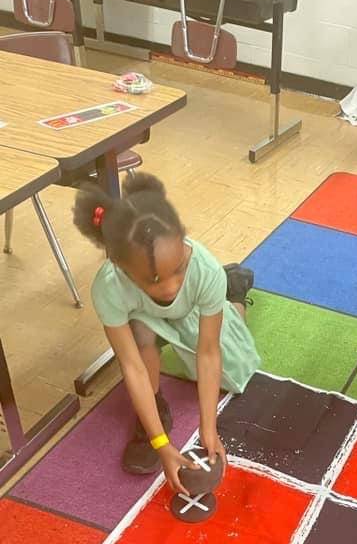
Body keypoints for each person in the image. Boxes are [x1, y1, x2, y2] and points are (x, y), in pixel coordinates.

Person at [73, 173, 259, 493]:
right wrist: (161, 442)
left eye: (177, 271)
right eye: (154, 279)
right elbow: (130, 366)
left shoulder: (202, 269)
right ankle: (154, 414)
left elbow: (208, 351)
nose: (170, 286)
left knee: (235, 374)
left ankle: (235, 291)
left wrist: (208, 428)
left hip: (195, 307)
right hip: (145, 316)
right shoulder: (110, 286)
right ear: (121, 268)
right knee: (142, 341)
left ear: (184, 241)